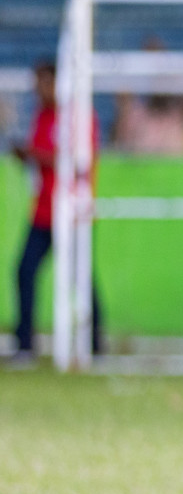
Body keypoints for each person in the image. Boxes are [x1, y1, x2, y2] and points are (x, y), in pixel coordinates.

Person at [10, 60, 102, 362]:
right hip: (43, 212)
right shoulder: (42, 115)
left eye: (43, 82)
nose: (38, 89)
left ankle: (96, 345)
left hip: (71, 211)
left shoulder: (79, 115)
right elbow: (43, 159)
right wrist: (25, 156)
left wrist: (34, 155)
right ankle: (24, 345)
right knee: (24, 272)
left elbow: (79, 161)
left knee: (81, 279)